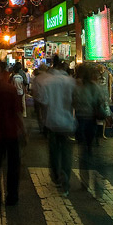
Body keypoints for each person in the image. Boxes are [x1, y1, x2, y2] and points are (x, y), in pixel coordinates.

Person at [36, 56, 76, 196]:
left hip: (52, 121)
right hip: (67, 122)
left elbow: (43, 101)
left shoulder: (48, 82)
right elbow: (75, 101)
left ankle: (56, 176)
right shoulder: (71, 82)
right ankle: (65, 181)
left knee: (54, 151)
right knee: (66, 153)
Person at [0, 61, 24, 206]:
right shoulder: (11, 89)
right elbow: (17, 112)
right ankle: (12, 195)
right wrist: (24, 131)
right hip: (12, 131)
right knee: (13, 165)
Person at [73, 63, 110, 198]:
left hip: (80, 121)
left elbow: (72, 103)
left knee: (83, 151)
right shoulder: (95, 87)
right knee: (93, 151)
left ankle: (84, 181)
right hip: (92, 122)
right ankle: (98, 185)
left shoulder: (76, 87)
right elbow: (101, 102)